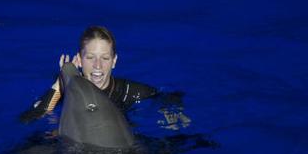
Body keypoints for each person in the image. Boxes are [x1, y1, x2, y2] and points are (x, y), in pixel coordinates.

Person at [19, 25, 190, 129]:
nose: (98, 66)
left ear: (114, 61)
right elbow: (29, 119)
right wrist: (60, 82)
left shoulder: (128, 91)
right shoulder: (68, 90)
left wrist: (173, 110)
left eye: (105, 58)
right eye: (90, 57)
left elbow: (168, 96)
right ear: (79, 59)